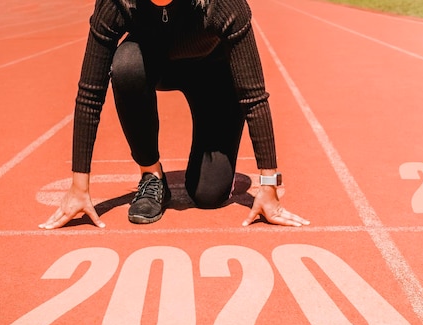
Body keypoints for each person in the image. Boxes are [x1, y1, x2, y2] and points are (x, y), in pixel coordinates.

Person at [39, 0, 309, 229]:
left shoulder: (223, 4)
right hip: (151, 63)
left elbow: (254, 96)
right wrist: (79, 186)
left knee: (208, 195)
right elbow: (90, 94)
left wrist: (269, 186)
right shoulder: (116, 3)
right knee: (127, 65)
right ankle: (151, 175)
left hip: (214, 75)